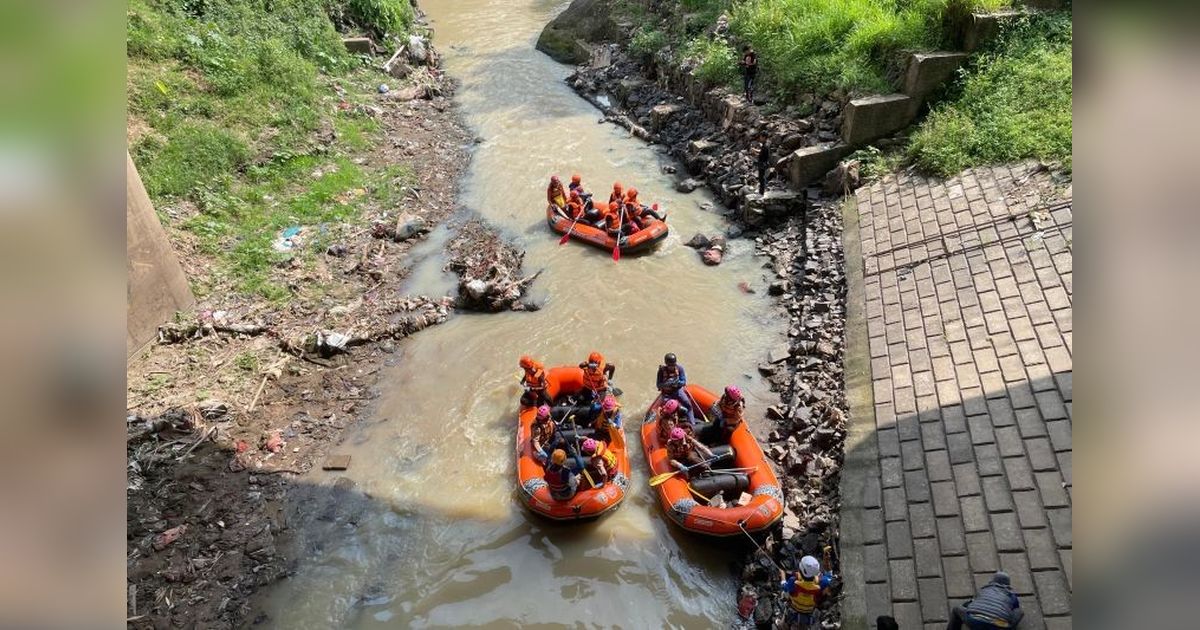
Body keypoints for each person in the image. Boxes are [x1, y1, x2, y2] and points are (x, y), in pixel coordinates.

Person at [946, 571, 1023, 629]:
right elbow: (1015, 609)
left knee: (956, 609)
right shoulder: (1011, 595)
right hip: (998, 625)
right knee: (1020, 612)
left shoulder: (983, 590)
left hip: (974, 620)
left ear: (993, 581)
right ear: (1008, 584)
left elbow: (971, 602)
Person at [780, 551, 835, 630]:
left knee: (784, 593)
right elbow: (829, 574)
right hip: (810, 610)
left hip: (794, 607)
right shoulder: (823, 582)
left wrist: (782, 576)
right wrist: (826, 561)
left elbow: (784, 587)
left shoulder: (793, 581)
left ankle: (783, 623)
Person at [656, 353, 696, 424]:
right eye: (670, 365)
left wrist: (677, 383)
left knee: (688, 405)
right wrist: (667, 383)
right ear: (666, 364)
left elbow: (683, 382)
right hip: (667, 394)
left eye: (673, 365)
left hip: (677, 391)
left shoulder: (680, 369)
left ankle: (692, 423)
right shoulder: (661, 371)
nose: (672, 367)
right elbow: (658, 385)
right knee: (668, 410)